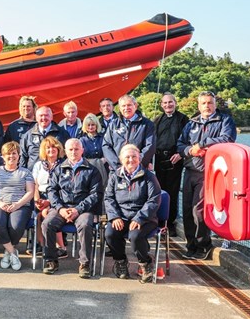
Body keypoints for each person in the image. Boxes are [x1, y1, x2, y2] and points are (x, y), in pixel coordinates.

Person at [177, 91, 236, 260]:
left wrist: (201, 144)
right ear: (199, 106)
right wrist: (190, 150)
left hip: (209, 173)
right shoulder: (191, 123)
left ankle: (204, 245)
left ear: (215, 104)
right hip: (189, 171)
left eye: (210, 103)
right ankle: (191, 245)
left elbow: (227, 139)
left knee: (199, 210)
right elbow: (180, 144)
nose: (207, 106)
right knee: (187, 209)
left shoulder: (224, 120)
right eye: (203, 103)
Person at [42, 139, 102, 278]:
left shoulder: (92, 170)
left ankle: (84, 263)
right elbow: (51, 190)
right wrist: (60, 208)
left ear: (82, 150)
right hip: (62, 207)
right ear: (66, 151)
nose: (73, 152)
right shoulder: (59, 169)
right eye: (70, 149)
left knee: (86, 224)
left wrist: (78, 210)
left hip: (83, 209)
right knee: (47, 224)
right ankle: (51, 260)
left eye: (76, 149)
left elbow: (96, 194)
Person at [105, 144, 162, 283]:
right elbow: (108, 198)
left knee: (135, 236)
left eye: (134, 157)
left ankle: (146, 264)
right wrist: (115, 217)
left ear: (139, 158)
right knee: (110, 234)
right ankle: (121, 262)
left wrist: (139, 218)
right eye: (127, 157)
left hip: (144, 218)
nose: (131, 160)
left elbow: (154, 200)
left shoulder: (149, 176)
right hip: (121, 216)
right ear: (121, 159)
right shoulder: (114, 176)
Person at [0, 141, 35, 271]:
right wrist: (0, 203)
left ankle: (8, 253)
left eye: (14, 153)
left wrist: (17, 204)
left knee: (16, 225)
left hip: (21, 205)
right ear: (2, 156)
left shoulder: (26, 173)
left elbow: (30, 191)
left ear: (19, 155)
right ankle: (12, 252)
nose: (11, 156)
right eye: (8, 154)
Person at [153, 93, 189, 236]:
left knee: (173, 192)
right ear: (161, 105)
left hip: (175, 159)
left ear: (175, 103)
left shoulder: (183, 119)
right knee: (159, 190)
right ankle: (160, 221)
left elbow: (187, 139)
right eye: (165, 103)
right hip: (160, 159)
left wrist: (181, 153)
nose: (168, 105)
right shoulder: (157, 120)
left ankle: (171, 222)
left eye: (170, 102)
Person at [31, 137, 67, 257]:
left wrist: (49, 201)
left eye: (53, 147)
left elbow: (63, 188)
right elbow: (34, 184)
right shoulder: (38, 165)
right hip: (40, 197)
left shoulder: (64, 165)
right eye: (48, 147)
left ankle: (60, 247)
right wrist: (37, 200)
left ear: (58, 149)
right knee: (37, 215)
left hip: (58, 197)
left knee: (46, 214)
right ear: (43, 150)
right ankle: (42, 245)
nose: (51, 149)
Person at [102, 94, 156, 172]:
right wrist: (118, 166)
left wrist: (135, 163)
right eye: (123, 106)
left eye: (129, 105)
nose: (126, 108)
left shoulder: (147, 124)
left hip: (139, 169)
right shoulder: (113, 124)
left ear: (135, 106)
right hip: (117, 170)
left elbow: (150, 146)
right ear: (119, 108)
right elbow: (106, 146)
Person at [20, 106, 70, 171]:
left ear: (51, 117)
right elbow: (23, 157)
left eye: (46, 115)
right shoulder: (28, 136)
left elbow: (68, 154)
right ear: (36, 118)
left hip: (57, 174)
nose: (43, 118)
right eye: (41, 115)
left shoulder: (62, 133)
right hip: (33, 175)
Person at [79, 113, 108, 185]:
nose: (90, 127)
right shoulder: (82, 140)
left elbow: (108, 150)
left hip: (103, 167)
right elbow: (80, 155)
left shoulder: (103, 138)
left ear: (96, 125)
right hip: (88, 168)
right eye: (88, 125)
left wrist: (105, 159)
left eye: (93, 125)